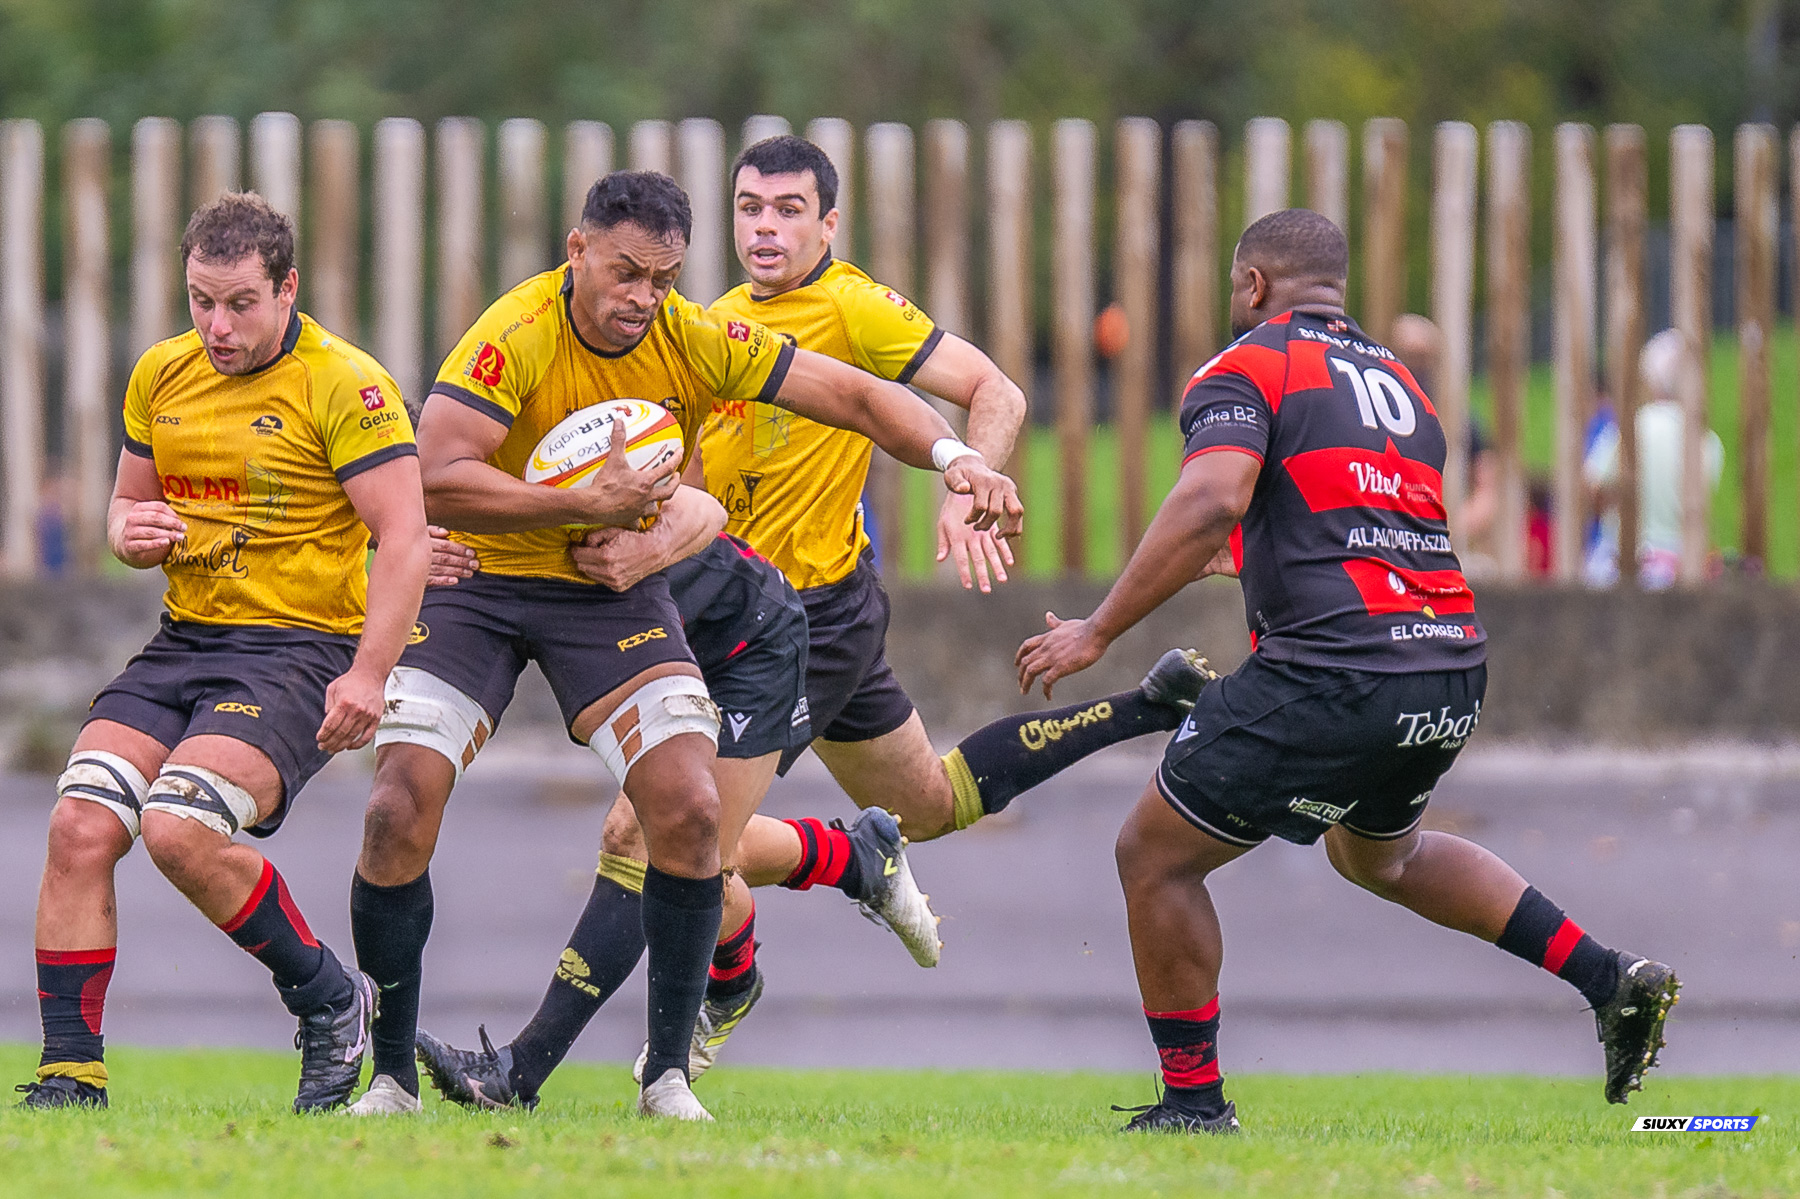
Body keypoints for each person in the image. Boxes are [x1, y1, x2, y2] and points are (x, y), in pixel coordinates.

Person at [347, 170, 1022, 1122]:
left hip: (609, 589)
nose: (644, 298)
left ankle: (666, 1077)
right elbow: (435, 473)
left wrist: (957, 459)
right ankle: (390, 1079)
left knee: (691, 811)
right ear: (578, 250)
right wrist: (575, 502)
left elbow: (859, 397)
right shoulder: (515, 334)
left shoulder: (695, 336)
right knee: (395, 806)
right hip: (485, 584)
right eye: (626, 273)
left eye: (663, 278)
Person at [1018, 208, 1679, 1134]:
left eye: (1237, 286)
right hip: (1447, 665)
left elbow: (1213, 495)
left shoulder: (1246, 365)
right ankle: (1609, 978)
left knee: (1153, 855)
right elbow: (1363, 528)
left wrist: (1097, 630)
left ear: (1253, 285)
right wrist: (1244, 556)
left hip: (1336, 669)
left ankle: (1195, 1103)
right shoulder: (1402, 385)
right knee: (1383, 855)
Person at [18, 193, 428, 1112]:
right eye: (201, 300)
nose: (218, 326)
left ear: (288, 289)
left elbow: (404, 536)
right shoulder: (161, 373)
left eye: (241, 303)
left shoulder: (346, 384)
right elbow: (126, 509)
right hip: (186, 640)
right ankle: (71, 1074)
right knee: (79, 823)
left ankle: (328, 996)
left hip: (298, 651)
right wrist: (129, 533)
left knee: (179, 827)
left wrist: (369, 674)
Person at [1582, 328, 1724, 589]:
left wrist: (1614, 500)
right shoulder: (1709, 442)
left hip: (1624, 560)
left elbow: (1592, 487)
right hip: (1681, 565)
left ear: (1651, 380)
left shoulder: (1631, 427)